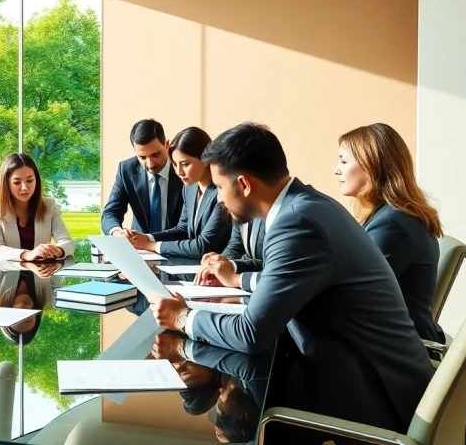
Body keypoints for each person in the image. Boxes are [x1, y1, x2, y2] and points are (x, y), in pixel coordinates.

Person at [150, 122, 434, 433]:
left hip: (374, 398)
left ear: (243, 184)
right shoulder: (308, 205)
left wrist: (183, 317)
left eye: (219, 187)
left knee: (248, 424)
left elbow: (251, 334)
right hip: (358, 370)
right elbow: (280, 288)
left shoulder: (296, 223)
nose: (217, 199)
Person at [335, 123, 444, 343]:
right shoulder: (395, 216)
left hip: (394, 349)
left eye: (344, 161)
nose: (337, 170)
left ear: (372, 166)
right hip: (394, 340)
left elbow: (355, 294)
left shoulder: (392, 226)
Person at [127, 127, 231, 259]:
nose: (179, 172)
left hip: (219, 265)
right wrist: (147, 238)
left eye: (185, 164)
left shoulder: (221, 193)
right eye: (175, 164)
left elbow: (203, 246)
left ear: (205, 159)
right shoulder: (190, 188)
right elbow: (182, 230)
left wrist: (151, 245)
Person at [0, 153, 74, 261]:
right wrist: (27, 254)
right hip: (8, 271)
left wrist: (57, 250)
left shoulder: (49, 205)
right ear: (6, 183)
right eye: (17, 182)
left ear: (36, 180)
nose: (25, 187)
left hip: (42, 270)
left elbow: (67, 242)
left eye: (30, 181)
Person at [101, 119, 184, 237]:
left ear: (166, 145)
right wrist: (117, 233)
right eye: (142, 157)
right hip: (138, 246)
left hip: (175, 245)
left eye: (155, 155)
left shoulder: (184, 170)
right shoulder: (126, 170)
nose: (150, 164)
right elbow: (110, 212)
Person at [0, 261, 64, 345]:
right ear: (36, 318)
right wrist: (57, 265)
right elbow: (65, 264)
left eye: (16, 317)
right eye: (28, 318)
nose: (23, 310)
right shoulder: (50, 298)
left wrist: (26, 264)